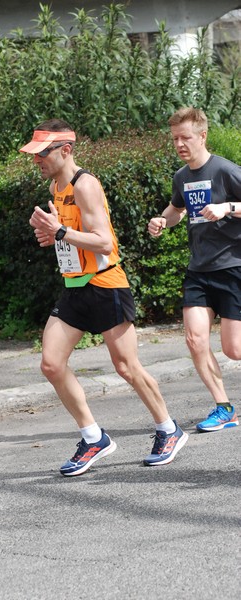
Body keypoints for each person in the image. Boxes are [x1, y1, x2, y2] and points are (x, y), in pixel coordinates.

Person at [20, 118, 188, 476]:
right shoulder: (56, 186)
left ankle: (169, 429)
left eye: (42, 153)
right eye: (34, 154)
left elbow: (105, 242)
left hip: (106, 283)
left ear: (65, 150)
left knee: (126, 367)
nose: (37, 160)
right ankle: (93, 437)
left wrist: (61, 230)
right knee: (51, 363)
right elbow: (73, 236)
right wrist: (55, 236)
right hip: (75, 286)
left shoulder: (85, 185)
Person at [148, 106, 241, 433]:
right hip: (199, 270)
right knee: (195, 339)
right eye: (175, 139)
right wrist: (162, 220)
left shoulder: (226, 171)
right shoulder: (181, 177)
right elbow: (176, 210)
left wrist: (227, 207)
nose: (179, 144)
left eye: (185, 137)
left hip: (233, 268)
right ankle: (224, 407)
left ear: (202, 136)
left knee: (234, 349)